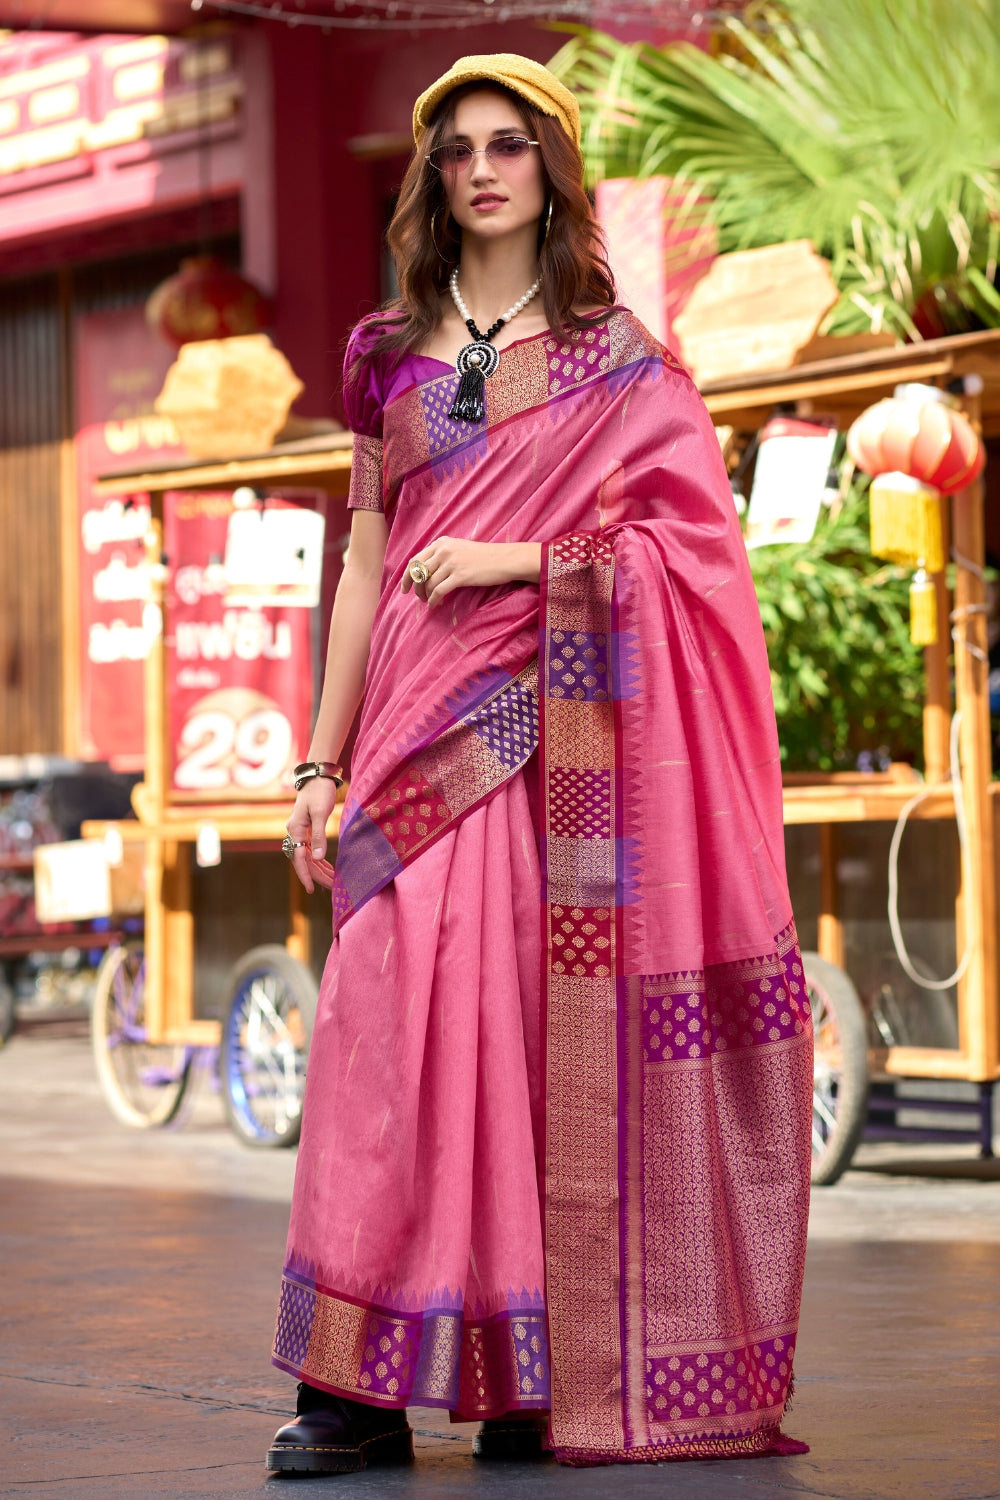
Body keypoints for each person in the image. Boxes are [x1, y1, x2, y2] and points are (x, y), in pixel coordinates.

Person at [267, 53, 813, 1475]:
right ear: (434, 176)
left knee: (516, 1038)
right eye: (459, 150)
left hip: (536, 736)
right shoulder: (385, 353)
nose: (485, 169)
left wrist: (518, 558)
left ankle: (526, 1376)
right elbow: (362, 572)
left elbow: (690, 559)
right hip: (405, 742)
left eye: (511, 145)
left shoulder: (621, 362)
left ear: (551, 169)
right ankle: (354, 1390)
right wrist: (315, 768)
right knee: (377, 1037)